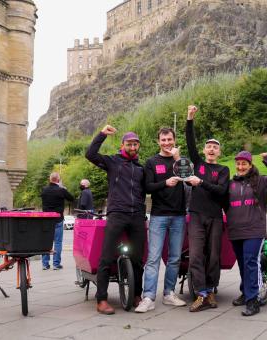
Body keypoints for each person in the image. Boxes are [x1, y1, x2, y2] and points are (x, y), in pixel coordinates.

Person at [86, 125, 146, 315]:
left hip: (137, 215)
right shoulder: (112, 162)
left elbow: (149, 188)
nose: (133, 147)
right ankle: (101, 299)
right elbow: (90, 154)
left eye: (136, 144)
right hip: (117, 213)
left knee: (138, 260)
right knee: (106, 257)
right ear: (123, 145)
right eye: (129, 144)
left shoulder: (140, 168)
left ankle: (137, 295)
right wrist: (102, 134)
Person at [183, 105, 230, 312]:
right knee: (195, 256)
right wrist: (189, 119)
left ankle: (211, 291)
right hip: (196, 215)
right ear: (204, 150)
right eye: (208, 146)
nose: (211, 149)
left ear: (219, 152)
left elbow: (221, 191)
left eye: (215, 147)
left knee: (213, 256)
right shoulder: (198, 163)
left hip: (215, 217)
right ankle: (200, 293)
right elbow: (189, 142)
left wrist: (200, 183)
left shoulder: (223, 169)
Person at [135, 127, 187, 313]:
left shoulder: (179, 160)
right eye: (163, 140)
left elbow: (188, 178)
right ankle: (148, 297)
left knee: (174, 258)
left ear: (174, 140)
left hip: (179, 215)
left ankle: (168, 294)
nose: (166, 143)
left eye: (169, 140)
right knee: (153, 258)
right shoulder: (151, 162)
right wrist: (165, 182)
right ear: (158, 142)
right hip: (158, 215)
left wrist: (177, 158)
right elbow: (148, 187)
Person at [227, 151, 267, 316]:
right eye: (238, 163)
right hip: (236, 231)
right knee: (243, 263)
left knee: (251, 262)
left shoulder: (261, 181)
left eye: (244, 163)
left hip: (254, 230)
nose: (240, 166)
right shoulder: (231, 184)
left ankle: (253, 300)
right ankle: (246, 293)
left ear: (250, 165)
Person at [40, 172, 74, 270]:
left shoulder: (44, 190)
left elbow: (43, 196)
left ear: (50, 179)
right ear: (58, 180)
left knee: (46, 242)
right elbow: (71, 198)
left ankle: (45, 264)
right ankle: (56, 264)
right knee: (58, 242)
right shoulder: (61, 190)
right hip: (58, 219)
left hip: (46, 220)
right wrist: (63, 188)